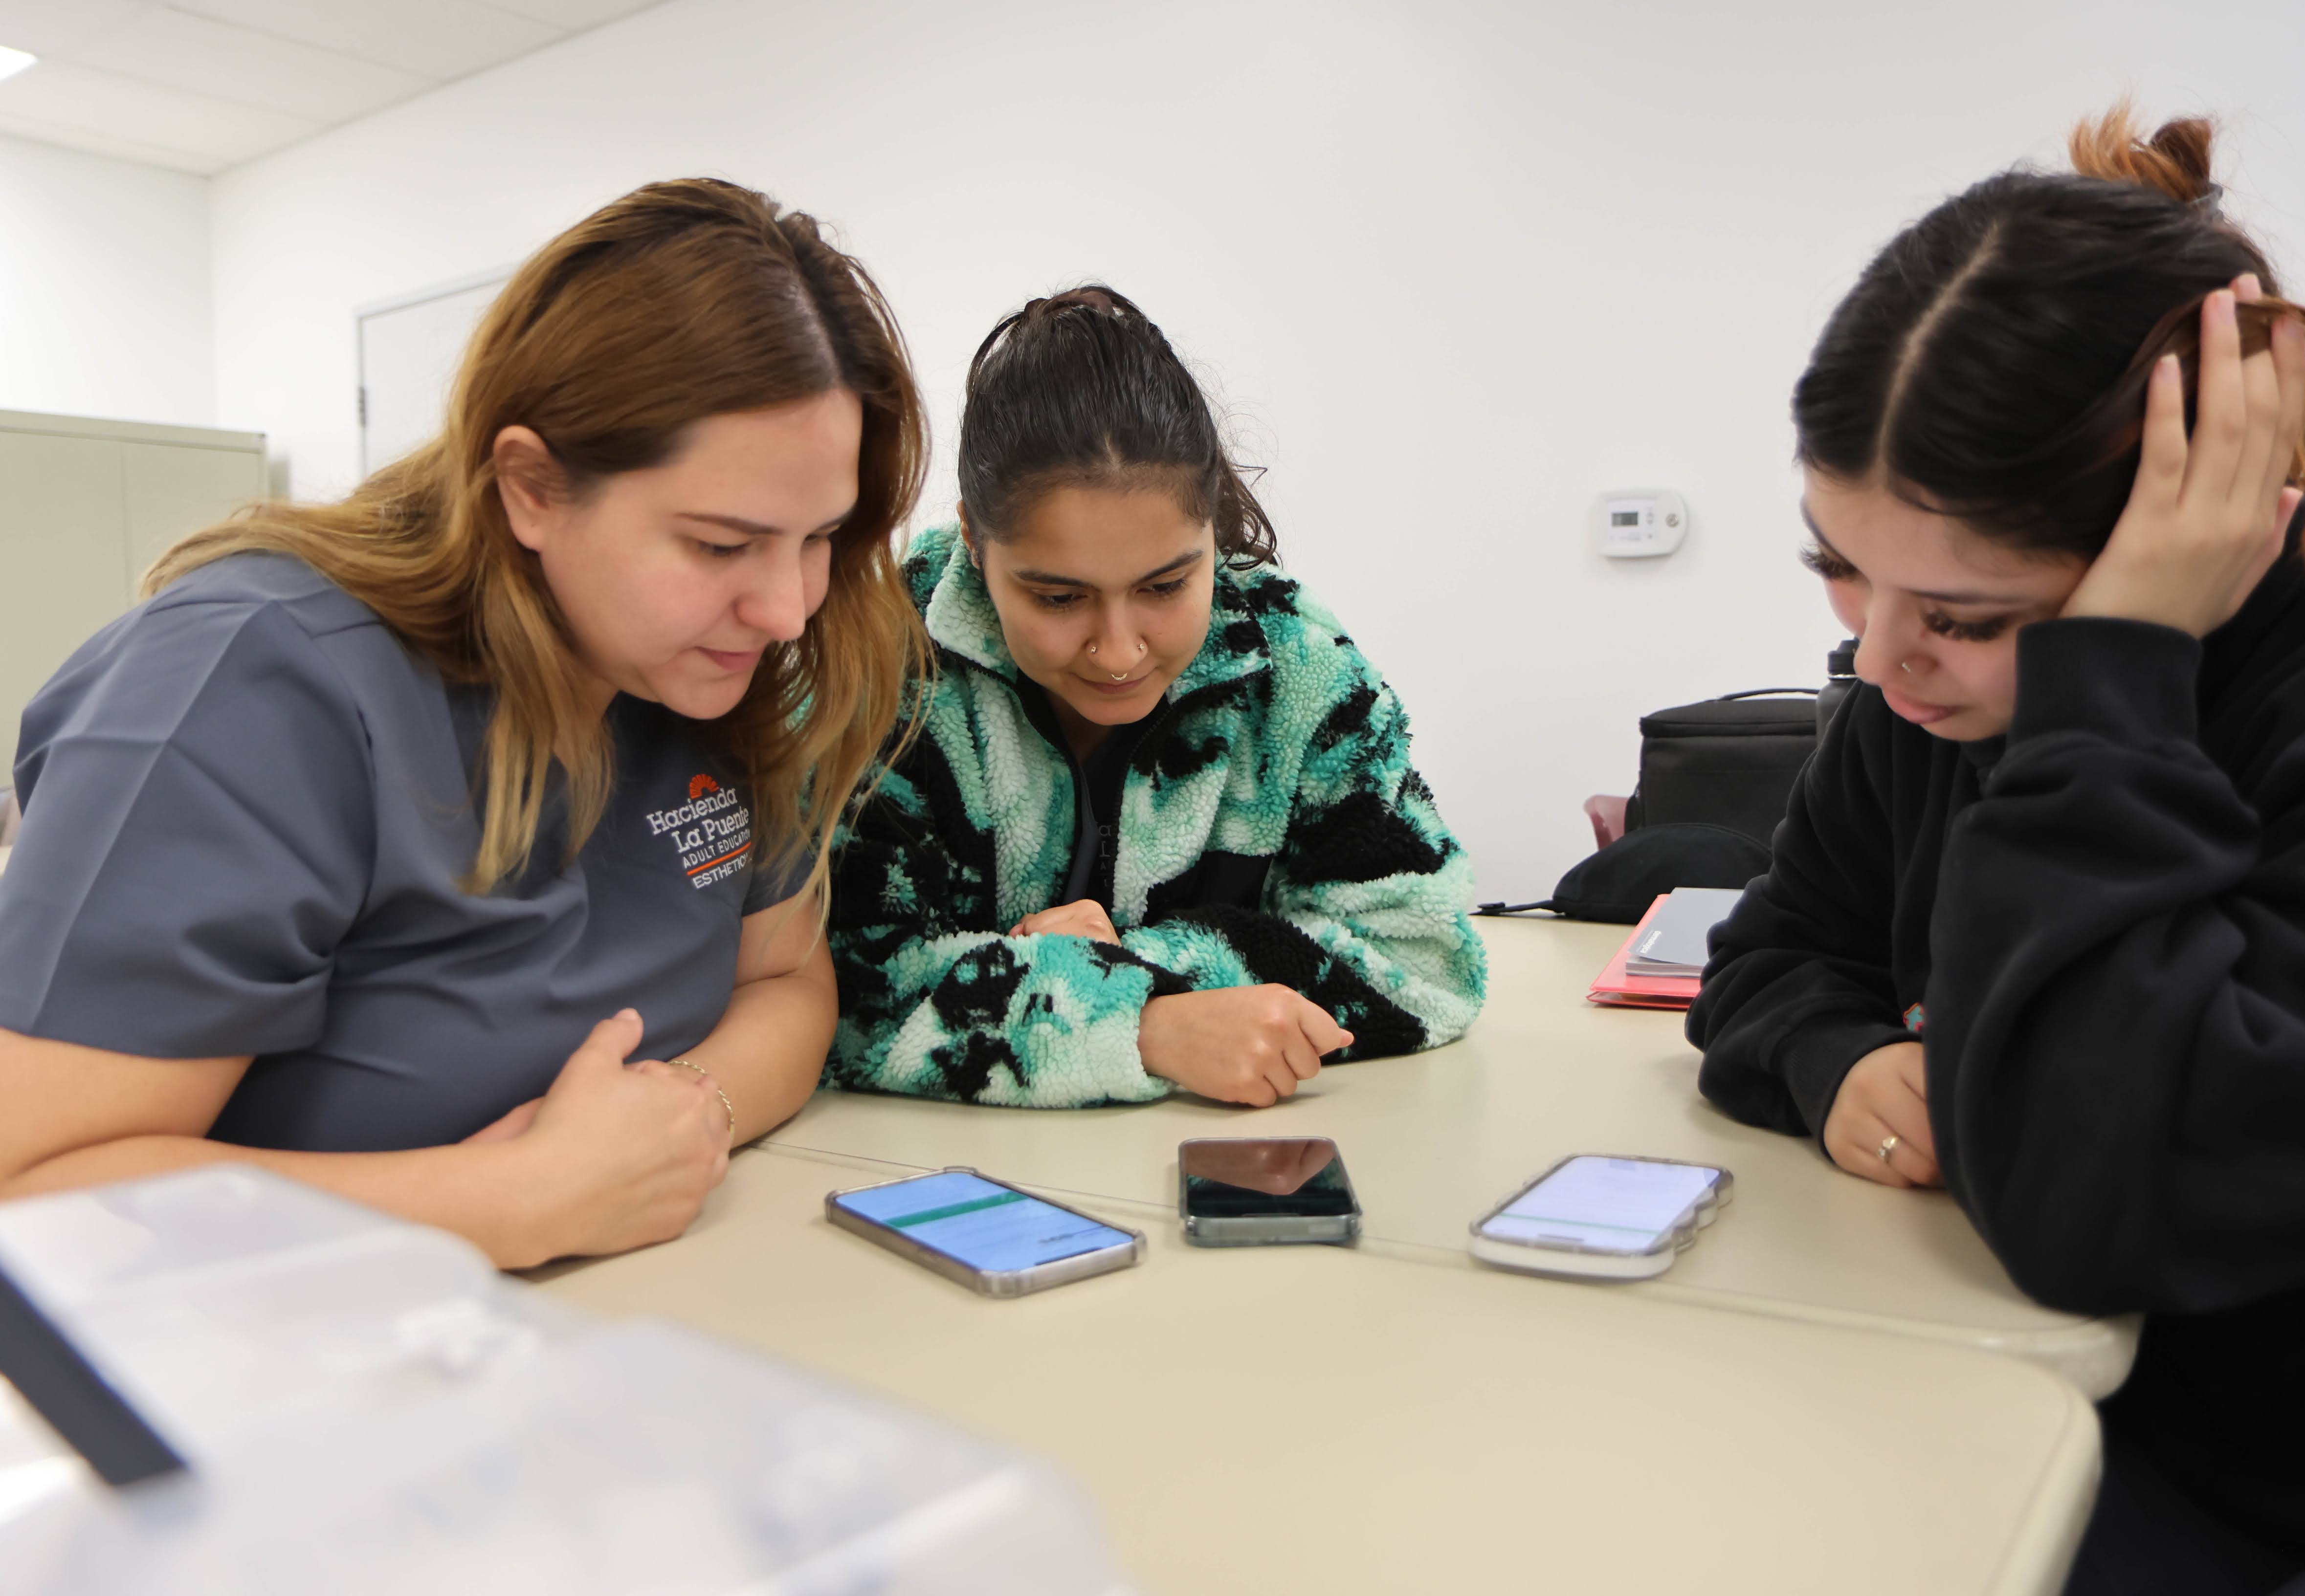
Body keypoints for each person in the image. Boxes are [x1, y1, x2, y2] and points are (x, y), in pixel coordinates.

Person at [1686, 109, 2305, 1593]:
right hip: (2065, 1395)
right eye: (1838, 567)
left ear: (2196, 538)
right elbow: (1770, 954)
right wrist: (1833, 1062)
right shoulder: (1923, 680)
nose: (1881, 660)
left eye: (1966, 614)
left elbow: (2115, 1200)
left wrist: (2117, 669)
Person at [0, 180, 929, 1269]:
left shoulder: (700, 673)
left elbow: (783, 980)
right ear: (531, 487)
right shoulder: (254, 684)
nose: (786, 609)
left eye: (819, 537)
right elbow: (35, 1194)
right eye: (722, 545)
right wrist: (512, 1200)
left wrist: (683, 1118)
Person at [827, 287, 1484, 1108]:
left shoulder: (1300, 665)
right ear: (973, 539)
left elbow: (1428, 955)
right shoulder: (881, 668)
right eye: (1058, 598)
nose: (1119, 651)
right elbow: (842, 994)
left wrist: (1137, 969)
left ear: (1212, 526)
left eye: (1166, 584)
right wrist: (1142, 1026)